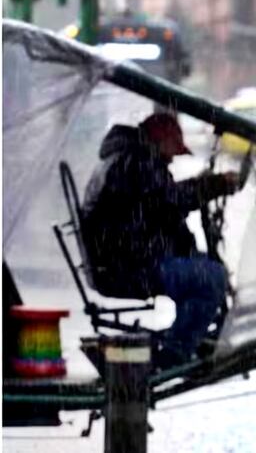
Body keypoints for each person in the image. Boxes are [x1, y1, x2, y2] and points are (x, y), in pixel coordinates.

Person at [82, 112, 240, 366]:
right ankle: (175, 353)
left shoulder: (130, 159)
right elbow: (171, 200)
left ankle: (186, 339)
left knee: (204, 267)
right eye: (170, 152)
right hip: (131, 267)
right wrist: (213, 185)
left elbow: (161, 206)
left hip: (127, 261)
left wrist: (204, 187)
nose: (171, 159)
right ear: (158, 141)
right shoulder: (137, 162)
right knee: (211, 278)